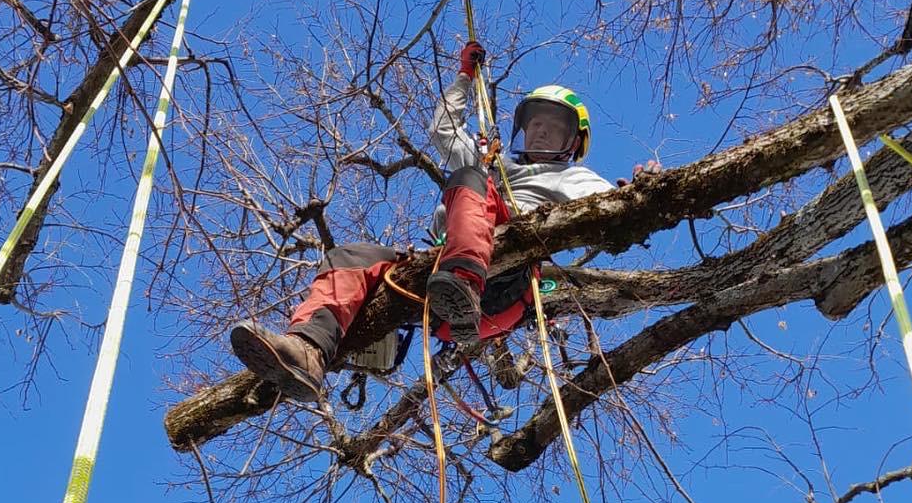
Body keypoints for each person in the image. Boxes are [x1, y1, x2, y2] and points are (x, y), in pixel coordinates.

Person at [228, 41, 621, 402]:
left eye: (553, 128)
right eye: (536, 124)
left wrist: (644, 185)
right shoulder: (495, 166)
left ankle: (463, 285)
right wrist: (465, 79)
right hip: (441, 284)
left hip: (502, 285)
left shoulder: (571, 179)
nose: (541, 132)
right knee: (352, 256)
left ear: (573, 143)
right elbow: (444, 131)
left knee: (468, 178)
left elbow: (615, 207)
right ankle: (308, 349)